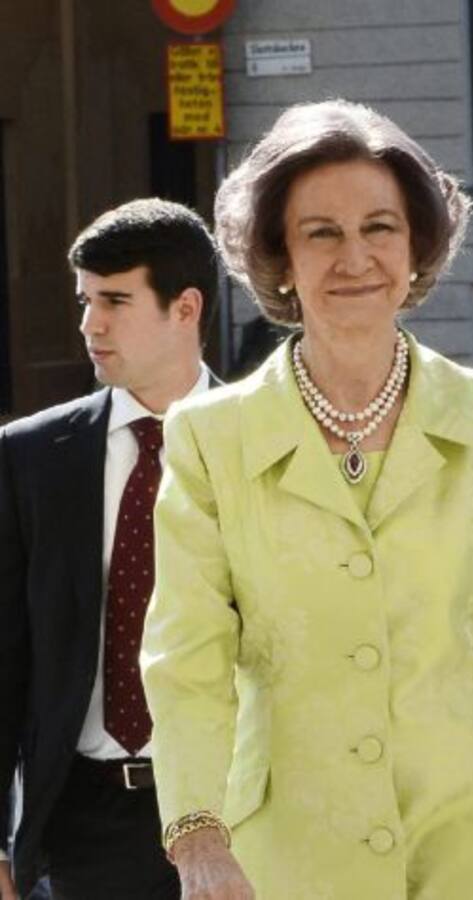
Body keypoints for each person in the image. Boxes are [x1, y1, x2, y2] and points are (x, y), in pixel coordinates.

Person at [139, 100, 473, 900]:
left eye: (380, 228)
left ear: (415, 248)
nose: (355, 257)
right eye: (321, 233)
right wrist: (197, 836)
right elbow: (185, 657)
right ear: (280, 259)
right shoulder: (208, 437)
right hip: (291, 851)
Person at [0, 198, 219, 899]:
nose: (89, 324)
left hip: (236, 809)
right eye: (85, 300)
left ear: (185, 308)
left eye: (115, 301)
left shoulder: (263, 445)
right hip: (84, 822)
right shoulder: (32, 456)